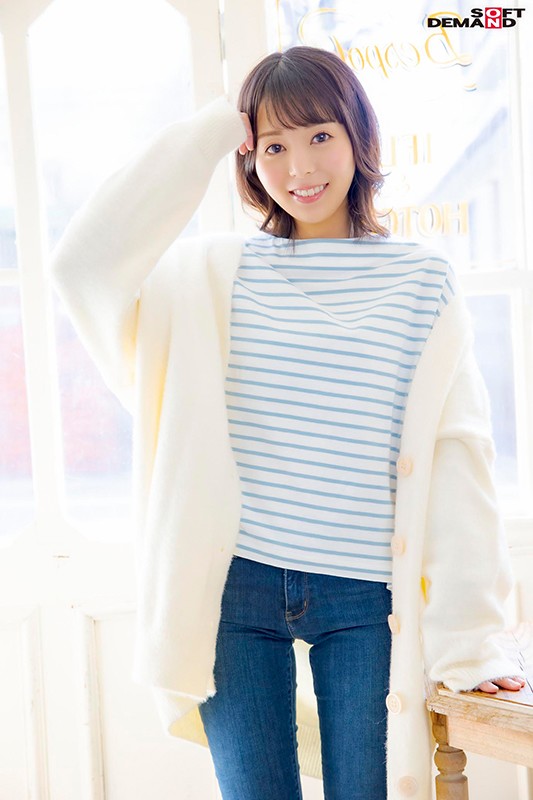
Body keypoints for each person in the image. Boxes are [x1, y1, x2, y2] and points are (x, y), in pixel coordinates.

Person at [48, 45, 525, 800]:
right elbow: (81, 266)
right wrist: (210, 130)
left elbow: (457, 456)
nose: (299, 167)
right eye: (273, 145)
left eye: (319, 136)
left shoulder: (420, 278)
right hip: (234, 586)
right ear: (248, 156)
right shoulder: (212, 275)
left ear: (358, 136)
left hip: (365, 596)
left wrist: (472, 641)